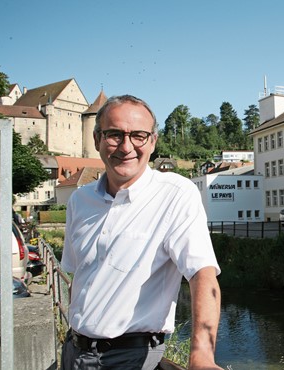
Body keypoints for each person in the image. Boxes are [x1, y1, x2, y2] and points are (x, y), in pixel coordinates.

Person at [60, 95, 222, 370]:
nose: (126, 146)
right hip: (74, 351)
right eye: (114, 135)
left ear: (153, 142)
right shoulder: (79, 200)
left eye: (138, 135)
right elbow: (78, 276)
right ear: (98, 138)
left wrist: (202, 357)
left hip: (131, 358)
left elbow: (202, 275)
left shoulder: (175, 194)